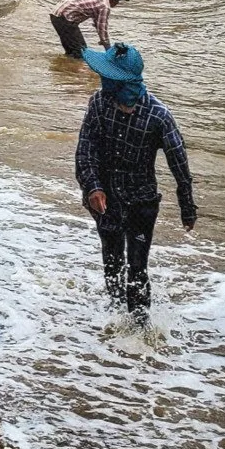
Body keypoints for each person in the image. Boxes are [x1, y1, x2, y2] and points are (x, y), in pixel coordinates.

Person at [73, 44, 196, 319]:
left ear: (119, 81)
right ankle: (115, 319)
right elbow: (86, 148)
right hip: (105, 197)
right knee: (112, 259)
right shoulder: (99, 103)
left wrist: (187, 208)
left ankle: (139, 331)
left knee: (137, 266)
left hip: (141, 201)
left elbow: (180, 165)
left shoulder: (159, 115)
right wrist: (93, 186)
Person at [49, 0, 126, 57]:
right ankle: (70, 67)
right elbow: (102, 29)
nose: (118, 3)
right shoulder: (105, 6)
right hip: (64, 17)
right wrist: (108, 50)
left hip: (57, 13)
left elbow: (97, 24)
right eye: (118, 0)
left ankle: (65, 64)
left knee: (74, 48)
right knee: (79, 51)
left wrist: (103, 41)